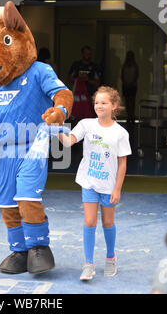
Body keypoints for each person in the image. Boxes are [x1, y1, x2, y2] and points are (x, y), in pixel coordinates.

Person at [59, 86, 131, 281]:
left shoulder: (120, 133)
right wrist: (57, 127)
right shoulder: (86, 124)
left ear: (114, 105)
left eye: (104, 102)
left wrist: (117, 188)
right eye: (97, 102)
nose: (99, 106)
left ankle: (110, 257)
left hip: (109, 186)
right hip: (88, 182)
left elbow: (122, 162)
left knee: (108, 222)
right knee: (89, 222)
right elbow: (68, 142)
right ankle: (88, 264)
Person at [68, 45, 103, 120]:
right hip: (78, 97)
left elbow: (98, 82)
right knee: (76, 117)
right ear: (82, 54)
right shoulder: (76, 65)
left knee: (90, 117)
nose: (87, 56)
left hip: (91, 96)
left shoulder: (94, 67)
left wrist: (87, 80)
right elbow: (69, 78)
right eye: (86, 53)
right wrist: (79, 79)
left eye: (89, 54)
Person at [121, 51, 139, 124]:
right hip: (125, 85)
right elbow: (122, 76)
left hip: (132, 86)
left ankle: (132, 116)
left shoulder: (135, 66)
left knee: (132, 102)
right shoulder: (124, 65)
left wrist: (131, 83)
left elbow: (136, 76)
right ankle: (129, 116)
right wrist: (125, 82)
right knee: (127, 102)